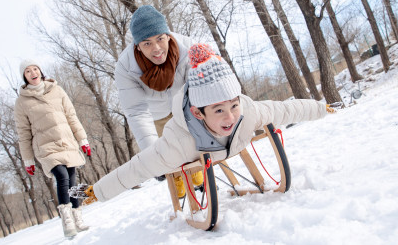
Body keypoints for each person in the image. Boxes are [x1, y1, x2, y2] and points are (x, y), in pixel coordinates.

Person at [79, 43, 337, 204]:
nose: (230, 117)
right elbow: (138, 167)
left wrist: (322, 108)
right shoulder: (180, 141)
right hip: (198, 147)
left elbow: (285, 109)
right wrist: (97, 191)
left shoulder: (248, 112)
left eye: (234, 105)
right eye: (219, 110)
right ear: (199, 113)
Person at [115, 5, 202, 191]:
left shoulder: (187, 47)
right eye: (146, 43)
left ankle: (201, 181)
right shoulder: (126, 67)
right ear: (137, 47)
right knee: (169, 155)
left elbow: (202, 86)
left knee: (192, 146)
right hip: (156, 116)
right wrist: (153, 157)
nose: (156, 49)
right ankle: (178, 187)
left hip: (186, 107)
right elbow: (137, 111)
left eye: (160, 39)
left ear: (168, 36)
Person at [14, 60, 92, 238]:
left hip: (66, 141)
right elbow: (23, 133)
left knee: (72, 178)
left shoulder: (57, 90)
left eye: (35, 68)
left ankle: (77, 217)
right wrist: (28, 160)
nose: (32, 72)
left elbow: (71, 116)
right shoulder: (22, 102)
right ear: (24, 77)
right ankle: (67, 220)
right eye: (27, 71)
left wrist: (83, 139)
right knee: (62, 176)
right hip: (45, 147)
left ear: (40, 71)